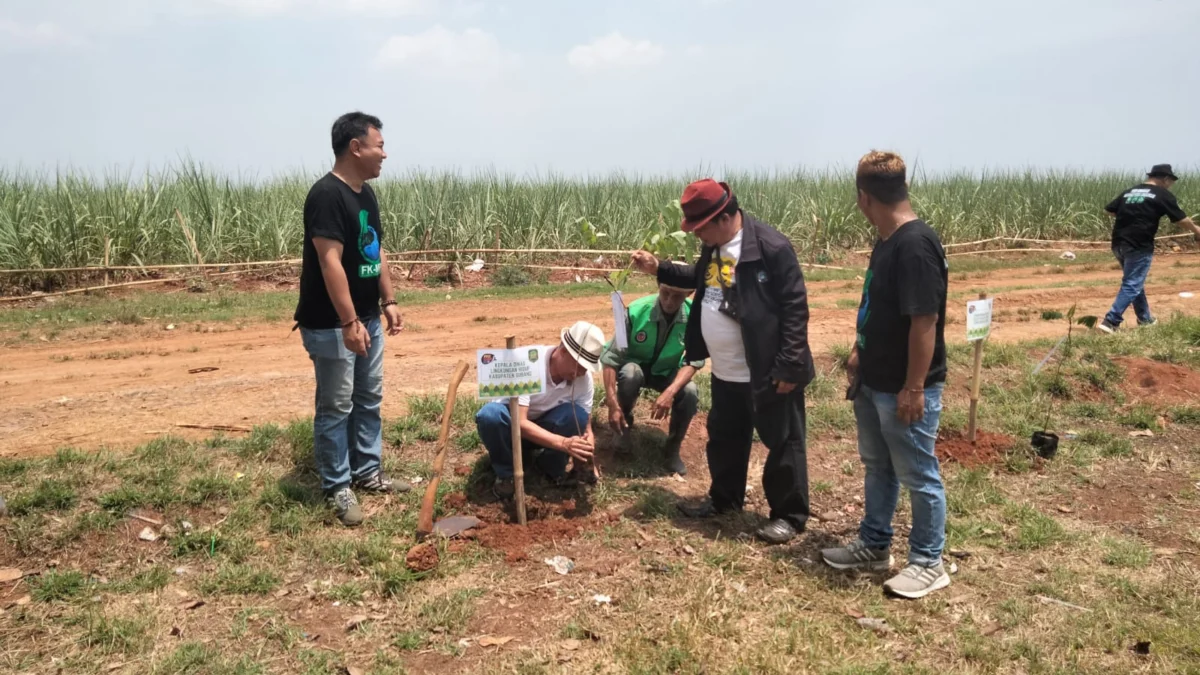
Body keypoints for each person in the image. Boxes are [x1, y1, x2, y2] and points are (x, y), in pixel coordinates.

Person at [630, 178, 814, 545]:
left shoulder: (770, 248)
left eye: (700, 228)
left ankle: (789, 515)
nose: (697, 236)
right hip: (728, 370)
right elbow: (700, 280)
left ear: (724, 217)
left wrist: (791, 363)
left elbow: (795, 308)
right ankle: (724, 499)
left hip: (766, 370)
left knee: (783, 441)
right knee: (726, 437)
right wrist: (658, 269)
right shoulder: (714, 250)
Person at [821, 151, 951, 599]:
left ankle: (928, 561)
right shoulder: (888, 240)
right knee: (879, 467)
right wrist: (859, 352)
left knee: (919, 474)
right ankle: (874, 544)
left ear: (863, 197)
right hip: (875, 381)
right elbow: (880, 309)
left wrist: (914, 387)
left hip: (903, 387)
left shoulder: (915, 245)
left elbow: (924, 322)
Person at [294, 111, 409, 528]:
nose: (385, 153)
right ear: (355, 147)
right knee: (336, 404)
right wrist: (347, 323)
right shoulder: (326, 195)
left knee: (368, 398)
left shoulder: (366, 195)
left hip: (367, 319)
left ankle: (367, 472)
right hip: (332, 325)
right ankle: (338, 484)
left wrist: (388, 300)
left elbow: (374, 252)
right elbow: (330, 263)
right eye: (379, 145)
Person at [476, 322, 605, 499]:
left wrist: (587, 454)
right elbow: (519, 423)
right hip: (509, 432)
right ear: (563, 351)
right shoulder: (528, 363)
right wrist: (563, 443)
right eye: (579, 366)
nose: (581, 373)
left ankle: (551, 468)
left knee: (578, 415)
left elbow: (586, 426)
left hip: (544, 431)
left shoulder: (583, 379)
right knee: (490, 416)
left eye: (585, 368)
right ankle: (506, 474)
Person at [600, 281, 703, 475]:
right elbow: (611, 358)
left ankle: (672, 448)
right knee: (630, 373)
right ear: (658, 286)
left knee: (689, 391)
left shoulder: (694, 318)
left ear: (689, 294)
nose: (669, 301)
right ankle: (623, 427)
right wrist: (612, 404)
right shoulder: (633, 312)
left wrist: (670, 392)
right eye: (665, 293)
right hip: (635, 368)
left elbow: (693, 361)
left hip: (666, 371)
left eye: (677, 296)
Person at [1098, 164, 1200, 333]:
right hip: (1139, 244)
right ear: (1165, 179)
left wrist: (1130, 214)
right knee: (1132, 283)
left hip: (1118, 243)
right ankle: (1111, 321)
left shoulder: (1130, 191)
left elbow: (1109, 210)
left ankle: (1145, 319)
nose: (1170, 185)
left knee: (1134, 281)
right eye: (1170, 182)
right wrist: (1196, 229)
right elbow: (1180, 219)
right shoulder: (1162, 195)